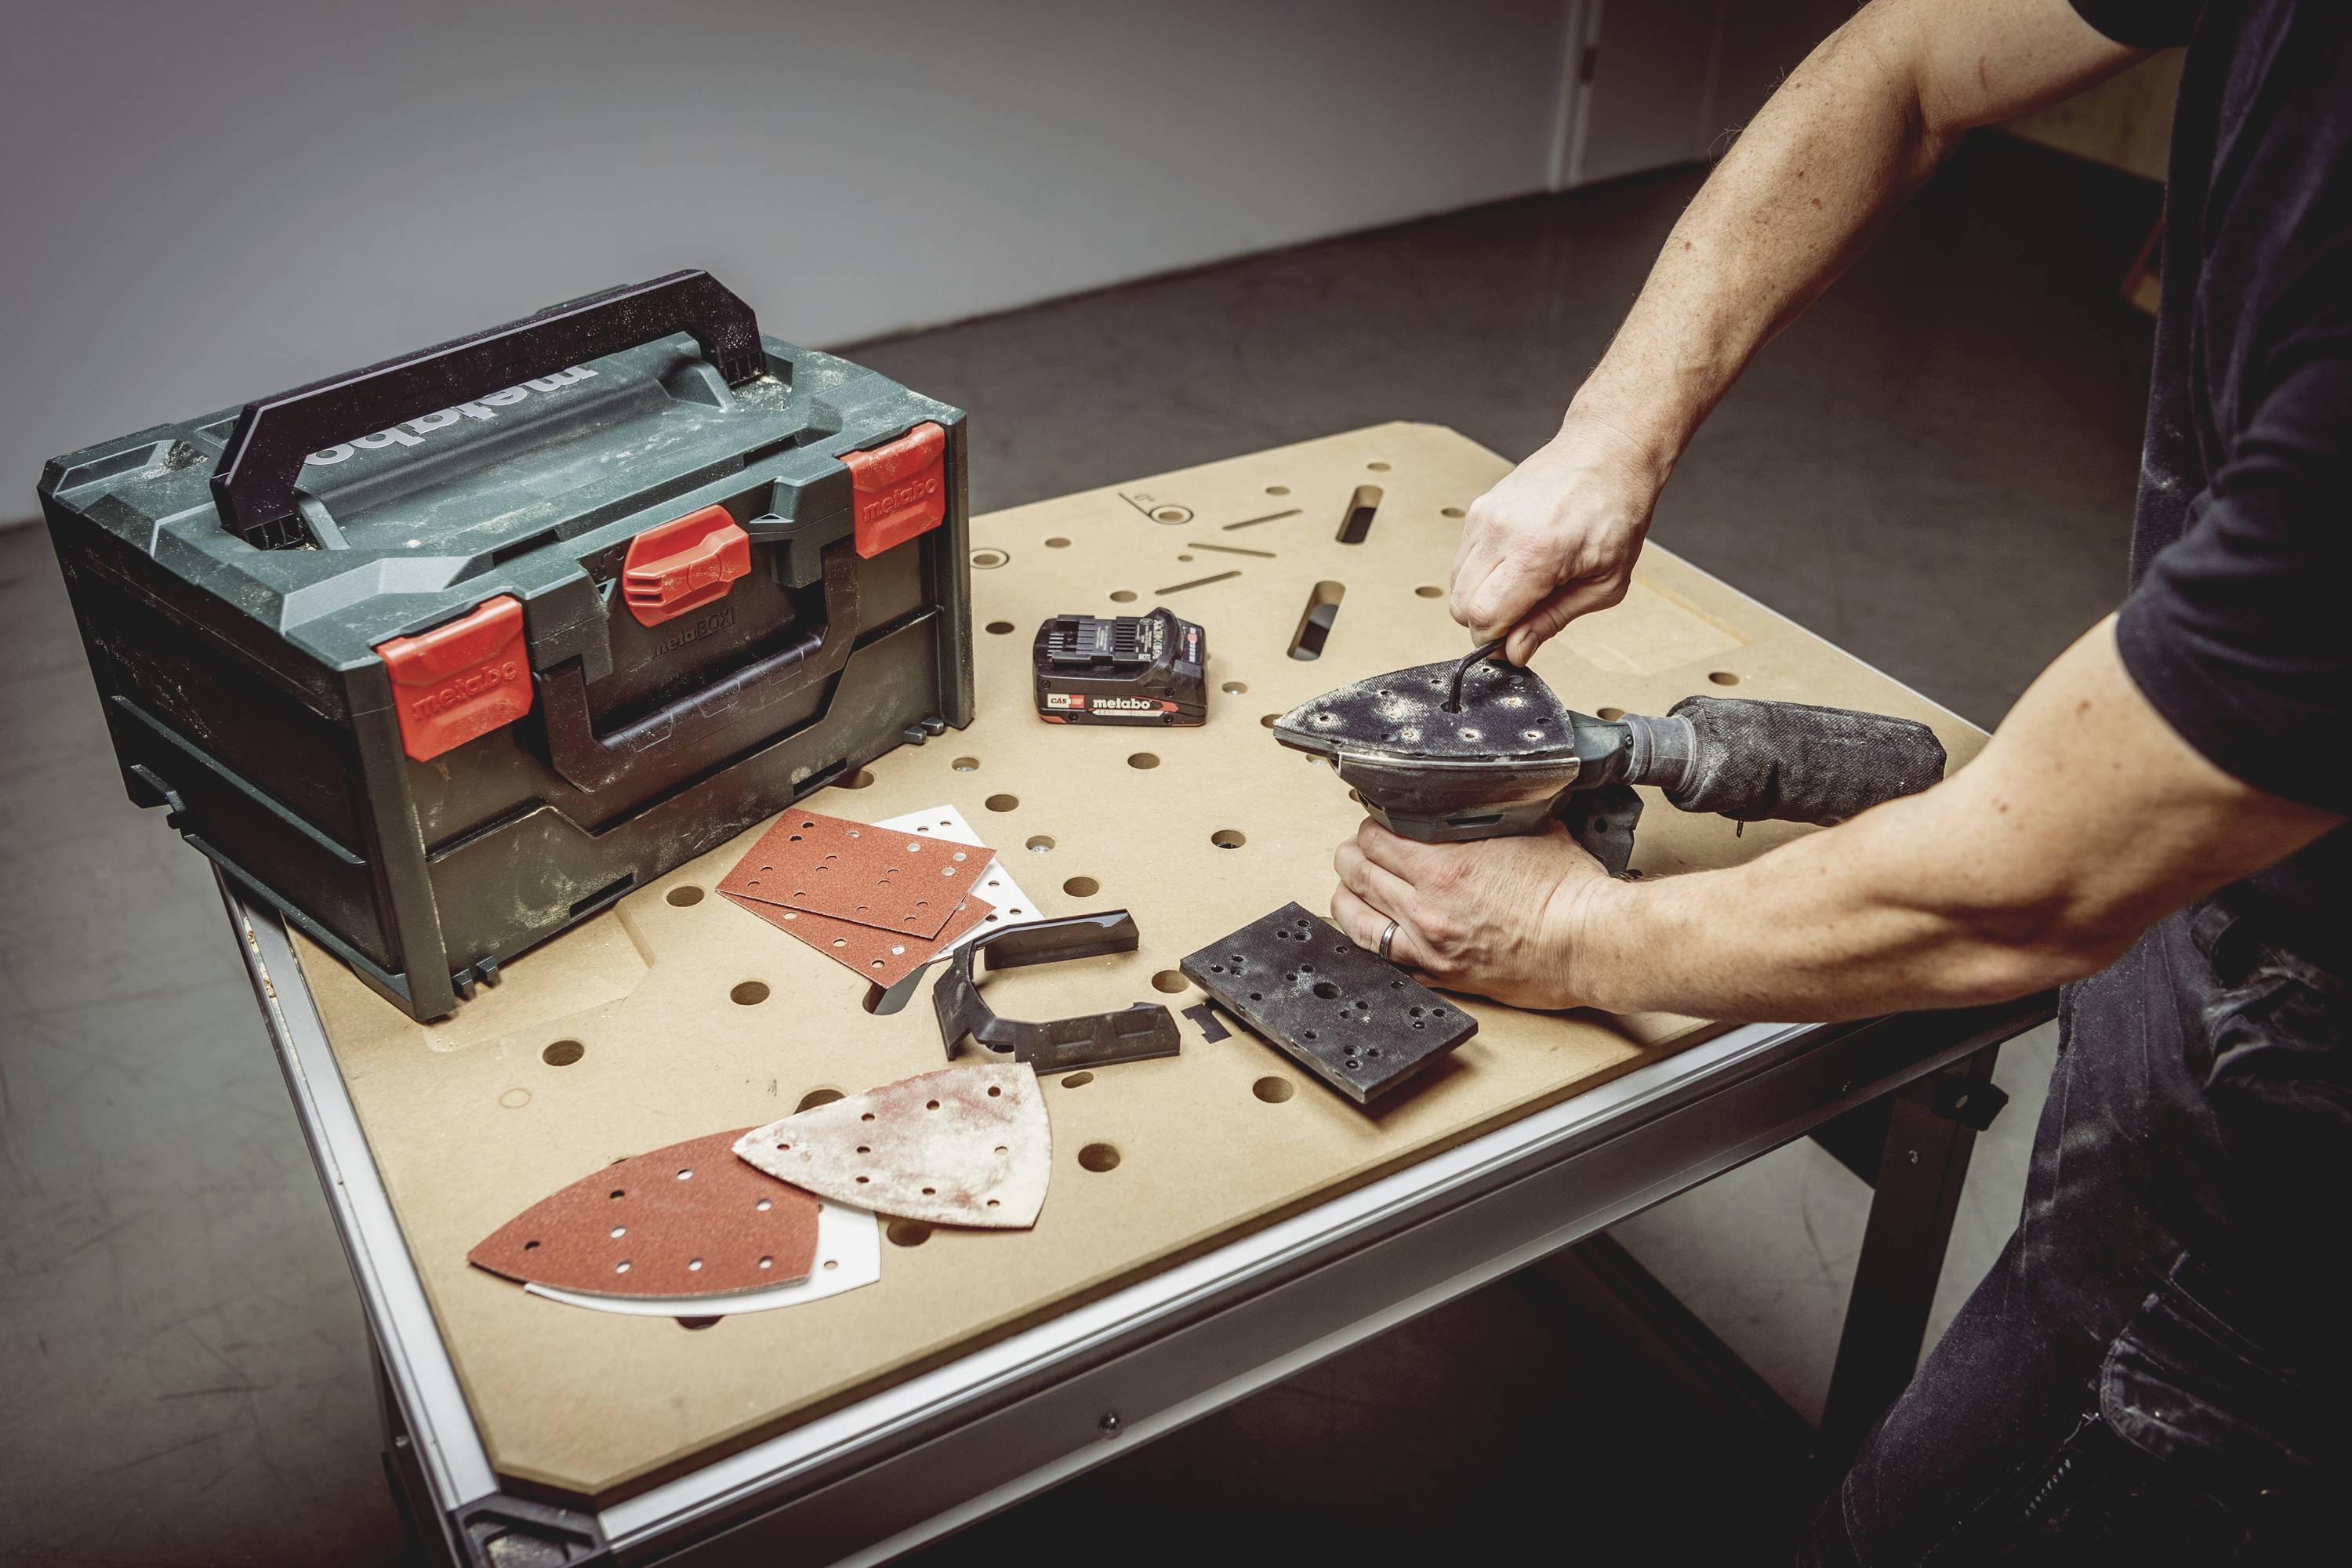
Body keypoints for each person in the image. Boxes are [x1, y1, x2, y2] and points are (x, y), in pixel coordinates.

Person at [1329, 0, 2348, 1558]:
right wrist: (1614, 432)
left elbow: (2036, 885)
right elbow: (1910, 59)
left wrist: (1568, 933)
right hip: (2223, 885)